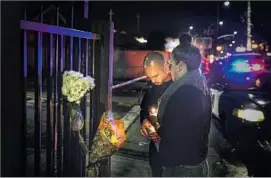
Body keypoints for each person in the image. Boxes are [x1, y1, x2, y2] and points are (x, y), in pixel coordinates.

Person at [156, 33, 212, 177]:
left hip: (182, 167)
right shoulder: (198, 83)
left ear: (181, 66)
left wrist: (157, 129)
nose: (169, 68)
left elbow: (173, 133)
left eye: (171, 64)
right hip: (193, 162)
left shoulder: (186, 93)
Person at [140, 51, 172, 177]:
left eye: (156, 76)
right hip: (156, 147)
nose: (153, 81)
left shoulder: (178, 86)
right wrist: (144, 120)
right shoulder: (151, 87)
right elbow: (144, 109)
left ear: (166, 67)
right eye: (150, 77)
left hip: (175, 148)